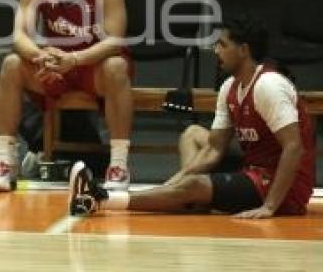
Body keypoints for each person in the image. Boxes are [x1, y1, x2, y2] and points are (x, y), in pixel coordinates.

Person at [69, 13, 316, 218]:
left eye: (222, 44)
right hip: (254, 172)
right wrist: (172, 185)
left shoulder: (268, 85)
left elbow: (294, 147)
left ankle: (101, 198)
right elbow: (212, 151)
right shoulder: (231, 86)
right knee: (193, 135)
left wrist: (270, 206)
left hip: (284, 189)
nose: (215, 50)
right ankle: (187, 197)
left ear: (243, 50)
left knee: (194, 185)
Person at [0, 0, 134, 192]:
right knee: (12, 64)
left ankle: (118, 165)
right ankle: (4, 160)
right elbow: (19, 35)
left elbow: (115, 41)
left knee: (116, 66)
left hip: (94, 67)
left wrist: (75, 59)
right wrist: (39, 56)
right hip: (55, 65)